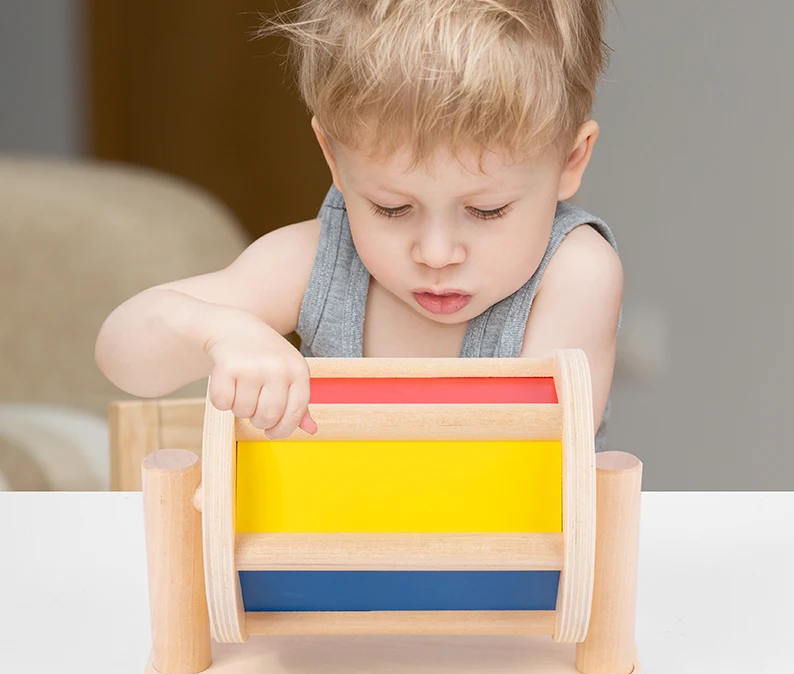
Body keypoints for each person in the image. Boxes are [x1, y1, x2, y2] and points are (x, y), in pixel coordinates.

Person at [95, 0, 624, 450]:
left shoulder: (575, 274)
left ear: (570, 160)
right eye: (392, 208)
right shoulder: (316, 262)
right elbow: (121, 349)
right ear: (333, 158)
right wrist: (220, 333)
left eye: (486, 211)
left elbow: (527, 468)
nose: (436, 253)